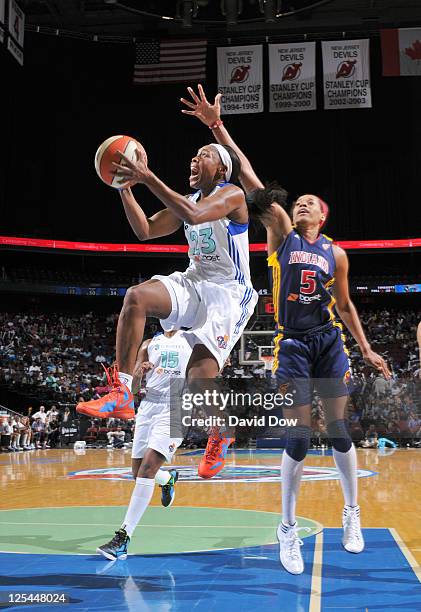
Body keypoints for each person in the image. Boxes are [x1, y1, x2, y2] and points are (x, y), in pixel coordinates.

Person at [181, 84, 391, 574]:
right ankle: (288, 528)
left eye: (310, 203)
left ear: (324, 215)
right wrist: (216, 126)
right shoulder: (280, 230)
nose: (302, 204)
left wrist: (366, 348)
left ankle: (351, 512)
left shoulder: (335, 254)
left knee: (339, 431)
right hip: (292, 343)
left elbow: (346, 305)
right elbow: (252, 179)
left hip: (329, 341)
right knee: (298, 436)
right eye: (299, 202)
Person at [77, 129, 258, 479]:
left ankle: (222, 433)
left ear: (221, 169)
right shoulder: (186, 199)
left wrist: (147, 177)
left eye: (203, 154)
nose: (194, 159)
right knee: (136, 296)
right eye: (194, 155)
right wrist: (124, 188)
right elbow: (145, 230)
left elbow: (193, 214)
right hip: (195, 281)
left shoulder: (232, 194)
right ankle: (122, 390)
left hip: (228, 295)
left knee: (197, 380)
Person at [97, 330, 192, 561]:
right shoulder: (149, 343)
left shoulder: (192, 340)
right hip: (148, 406)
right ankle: (167, 479)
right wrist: (139, 373)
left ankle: (123, 538)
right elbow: (135, 383)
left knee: (147, 469)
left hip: (176, 407)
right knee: (137, 472)